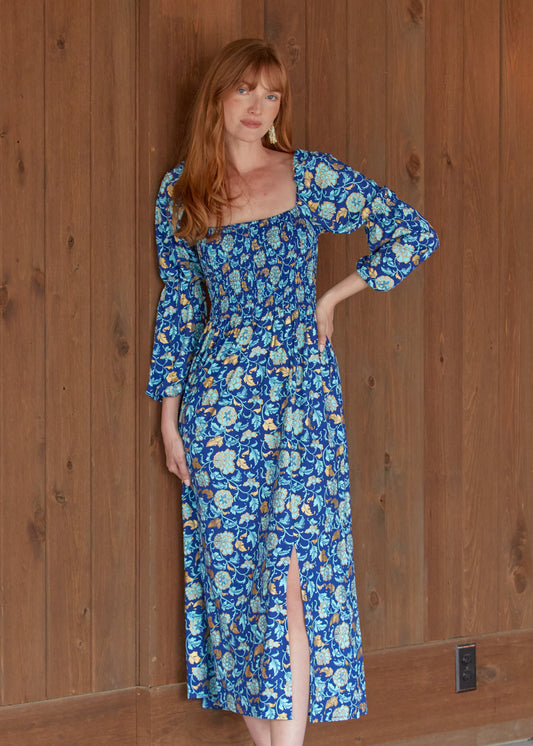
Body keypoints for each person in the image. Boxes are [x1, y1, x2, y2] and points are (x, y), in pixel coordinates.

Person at [147, 38, 438, 746]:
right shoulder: (181, 189)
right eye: (244, 90)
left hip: (298, 401)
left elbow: (411, 232)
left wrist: (334, 295)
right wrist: (169, 419)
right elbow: (181, 307)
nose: (257, 107)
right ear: (217, 95)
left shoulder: (306, 176)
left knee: (291, 585)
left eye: (271, 94)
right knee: (231, 589)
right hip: (216, 409)